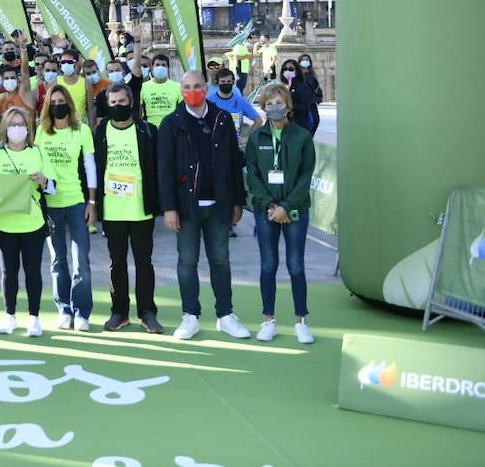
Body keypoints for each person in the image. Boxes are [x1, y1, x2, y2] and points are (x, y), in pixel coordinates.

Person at [159, 71, 251, 341]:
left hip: (219, 205)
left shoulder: (222, 119)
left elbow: (234, 163)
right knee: (187, 262)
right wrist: (169, 207)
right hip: (186, 208)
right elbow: (164, 169)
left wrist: (238, 201)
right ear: (181, 91)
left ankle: (225, 315)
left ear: (206, 87)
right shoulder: (171, 123)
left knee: (220, 260)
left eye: (198, 86)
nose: (192, 91)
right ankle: (190, 316)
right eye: (187, 87)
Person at [244, 83, 317, 345]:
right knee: (268, 265)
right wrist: (272, 207)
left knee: (296, 265)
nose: (275, 107)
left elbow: (305, 176)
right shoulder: (256, 138)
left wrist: (286, 206)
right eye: (270, 103)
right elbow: (252, 177)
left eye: (279, 102)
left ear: (288, 105)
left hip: (295, 210)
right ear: (263, 108)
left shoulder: (302, 137)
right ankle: (268, 321)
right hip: (267, 212)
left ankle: (301, 322)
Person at [93, 84, 164, 333]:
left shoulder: (148, 131)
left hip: (141, 208)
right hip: (112, 209)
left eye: (122, 102)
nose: (117, 107)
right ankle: (119, 312)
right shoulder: (100, 132)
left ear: (131, 102)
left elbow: (158, 168)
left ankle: (148, 312)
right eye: (112, 103)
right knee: (117, 263)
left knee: (144, 262)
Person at [0, 106, 50, 337]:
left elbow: (53, 187)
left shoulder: (38, 152)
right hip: (4, 222)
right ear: (4, 127)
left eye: (21, 125)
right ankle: (10, 315)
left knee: (33, 271)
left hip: (33, 222)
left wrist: (44, 180)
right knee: (9, 272)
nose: (17, 129)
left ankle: (34, 317)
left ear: (28, 128)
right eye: (12, 124)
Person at [36, 84, 97, 331]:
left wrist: (92, 201)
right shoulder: (42, 131)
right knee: (57, 260)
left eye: (62, 100)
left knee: (81, 259)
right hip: (51, 204)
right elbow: (35, 162)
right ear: (48, 106)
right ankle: (64, 309)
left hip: (76, 202)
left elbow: (90, 165)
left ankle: (82, 311)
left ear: (69, 103)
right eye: (54, 101)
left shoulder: (81, 130)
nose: (58, 105)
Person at [139, 53, 182, 122]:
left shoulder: (178, 87)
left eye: (163, 65)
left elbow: (182, 110)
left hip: (172, 128)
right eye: (157, 65)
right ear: (152, 67)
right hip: (150, 128)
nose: (160, 67)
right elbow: (139, 111)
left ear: (168, 68)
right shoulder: (143, 87)